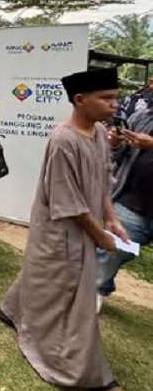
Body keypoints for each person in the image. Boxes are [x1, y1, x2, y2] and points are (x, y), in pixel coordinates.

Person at [0, 68, 126, 391]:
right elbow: (67, 200)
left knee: (44, 277)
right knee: (65, 290)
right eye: (106, 98)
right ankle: (74, 366)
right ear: (80, 100)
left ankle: (10, 309)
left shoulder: (98, 134)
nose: (114, 105)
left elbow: (104, 180)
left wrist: (111, 218)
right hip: (61, 229)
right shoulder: (63, 140)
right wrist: (100, 236)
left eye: (116, 98)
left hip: (88, 225)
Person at [96, 102, 153, 310]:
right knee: (114, 246)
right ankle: (97, 287)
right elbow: (118, 157)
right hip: (132, 199)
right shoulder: (140, 117)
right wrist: (115, 143)